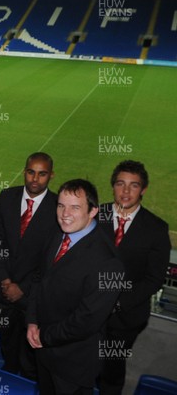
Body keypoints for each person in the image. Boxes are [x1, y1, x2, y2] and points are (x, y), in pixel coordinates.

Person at [27, 179, 123, 395]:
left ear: (93, 211)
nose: (65, 213)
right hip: (43, 352)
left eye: (75, 207)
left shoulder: (108, 262)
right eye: (61, 205)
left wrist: (44, 336)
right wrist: (32, 320)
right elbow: (39, 279)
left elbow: (86, 321)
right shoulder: (58, 235)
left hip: (72, 364)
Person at [97, 160, 171, 395]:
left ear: (144, 189)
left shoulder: (156, 228)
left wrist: (118, 303)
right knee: (83, 363)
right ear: (113, 186)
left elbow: (155, 278)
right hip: (87, 309)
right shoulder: (96, 216)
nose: (126, 191)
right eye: (121, 184)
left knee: (111, 370)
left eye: (134, 185)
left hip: (125, 319)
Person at [0, 152, 58, 379]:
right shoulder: (7, 197)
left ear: (51, 176)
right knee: (7, 347)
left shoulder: (59, 208)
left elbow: (51, 260)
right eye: (31, 172)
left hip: (34, 298)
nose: (35, 179)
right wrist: (6, 280)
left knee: (31, 360)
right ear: (24, 171)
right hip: (3, 292)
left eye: (42, 174)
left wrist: (23, 288)